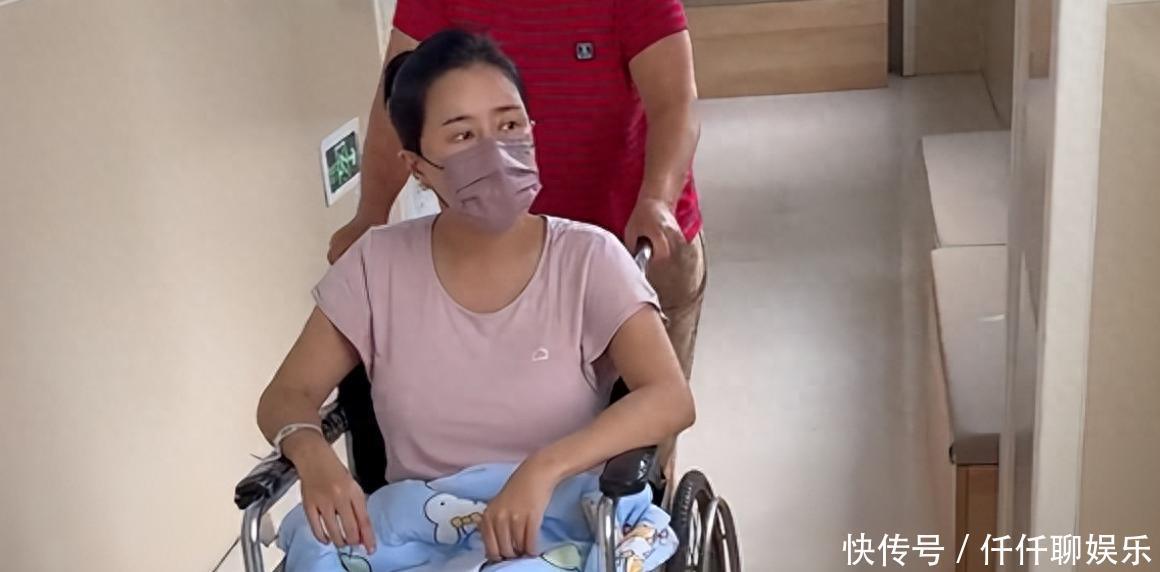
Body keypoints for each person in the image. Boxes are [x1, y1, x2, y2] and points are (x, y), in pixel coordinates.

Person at [258, 30, 695, 564]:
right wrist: (313, 457)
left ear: (532, 132)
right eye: (463, 135)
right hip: (419, 529)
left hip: (557, 523)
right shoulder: (376, 266)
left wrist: (544, 467)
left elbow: (670, 397)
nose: (495, 151)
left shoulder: (589, 259)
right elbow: (287, 394)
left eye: (509, 125)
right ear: (417, 167)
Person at [329, 1, 706, 398]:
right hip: (501, 254)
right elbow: (399, 109)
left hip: (638, 244)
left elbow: (675, 103)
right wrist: (370, 214)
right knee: (520, 408)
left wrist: (657, 198)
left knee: (643, 412)